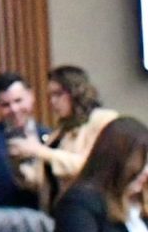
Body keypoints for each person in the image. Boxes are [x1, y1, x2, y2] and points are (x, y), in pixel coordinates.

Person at [10, 64, 114, 207]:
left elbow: (90, 167)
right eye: (50, 96)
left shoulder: (102, 120)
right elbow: (42, 180)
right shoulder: (61, 130)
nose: (52, 102)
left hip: (88, 209)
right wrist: (19, 162)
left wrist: (38, 150)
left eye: (58, 94)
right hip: (57, 211)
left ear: (76, 91)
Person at [0, 71, 48, 210]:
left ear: (31, 96)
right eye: (5, 105)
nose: (14, 109)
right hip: (3, 221)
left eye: (18, 101)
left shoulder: (50, 136)